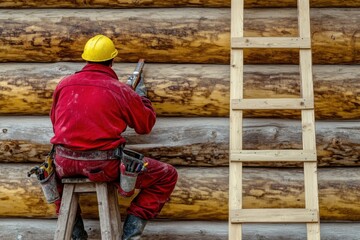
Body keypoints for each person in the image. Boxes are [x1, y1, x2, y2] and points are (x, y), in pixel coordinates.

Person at [50, 34, 178, 240]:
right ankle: (129, 236)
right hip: (104, 167)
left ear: (86, 59)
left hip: (63, 164)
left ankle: (76, 236)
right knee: (167, 175)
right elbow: (145, 125)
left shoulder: (64, 84)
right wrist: (141, 97)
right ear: (112, 60)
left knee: (51, 179)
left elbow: (55, 123)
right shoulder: (119, 90)